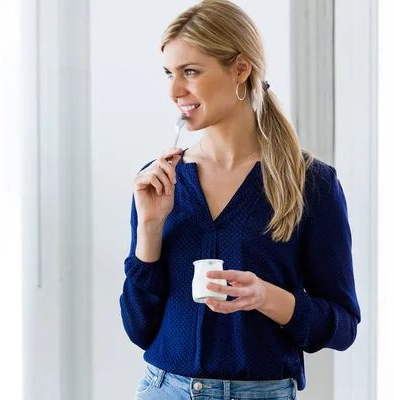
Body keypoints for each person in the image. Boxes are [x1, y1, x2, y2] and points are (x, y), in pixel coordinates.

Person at [119, 1, 361, 399]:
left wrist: (267, 297)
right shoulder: (159, 182)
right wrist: (149, 227)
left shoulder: (310, 184)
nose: (175, 90)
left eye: (190, 72)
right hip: (163, 389)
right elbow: (138, 327)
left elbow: (342, 326)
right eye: (169, 74)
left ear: (240, 70)